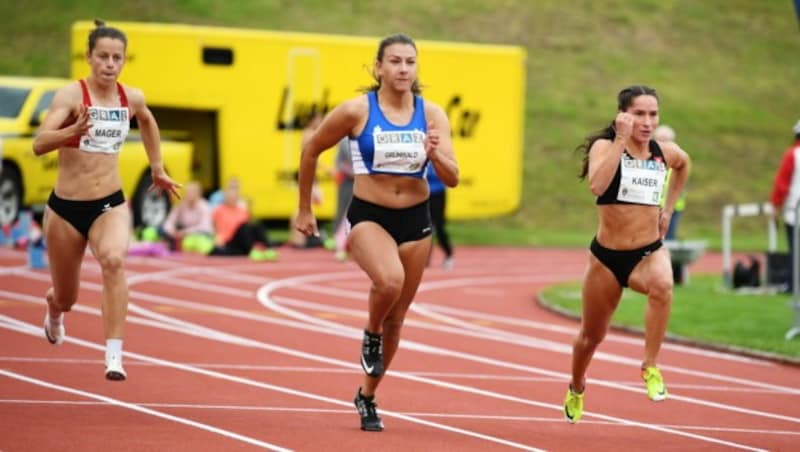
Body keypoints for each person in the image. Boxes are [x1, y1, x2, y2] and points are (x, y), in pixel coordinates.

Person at [295, 33, 459, 432]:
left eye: (410, 62)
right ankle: (370, 333)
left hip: (416, 221)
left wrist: (435, 151)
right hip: (370, 215)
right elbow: (311, 150)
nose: (404, 69)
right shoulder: (357, 111)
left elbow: (452, 178)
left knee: (398, 318)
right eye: (396, 61)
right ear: (378, 67)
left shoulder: (432, 114)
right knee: (389, 281)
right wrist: (304, 208)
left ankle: (367, 396)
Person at [32, 20, 181, 381]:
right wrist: (72, 130)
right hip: (66, 209)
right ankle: (54, 310)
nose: (110, 64)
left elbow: (147, 121)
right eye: (103, 57)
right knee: (67, 296)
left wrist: (157, 166)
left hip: (109, 203)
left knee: (114, 261)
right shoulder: (71, 96)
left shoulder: (132, 98)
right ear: (89, 57)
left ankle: (114, 355)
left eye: (117, 58)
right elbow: (39, 144)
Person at [563, 85, 690, 423]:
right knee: (591, 337)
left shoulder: (664, 152)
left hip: (648, 251)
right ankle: (576, 386)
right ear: (623, 115)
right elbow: (597, 186)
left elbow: (684, 164)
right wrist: (621, 140)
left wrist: (669, 209)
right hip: (606, 258)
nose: (646, 122)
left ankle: (650, 366)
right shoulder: (606, 147)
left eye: (653, 114)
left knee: (664, 285)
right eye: (639, 114)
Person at [769, 119, 800, 292]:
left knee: (795, 250)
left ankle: (793, 285)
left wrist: (775, 206)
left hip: (794, 210)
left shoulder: (793, 154)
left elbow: (782, 183)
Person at [210, 182, 275, 260]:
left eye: (234, 197)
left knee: (257, 225)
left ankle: (268, 248)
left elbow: (250, 226)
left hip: (243, 238)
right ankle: (252, 251)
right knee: (243, 227)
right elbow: (214, 226)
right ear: (226, 198)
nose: (233, 199)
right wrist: (217, 238)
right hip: (229, 239)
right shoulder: (219, 210)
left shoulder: (242, 210)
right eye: (230, 197)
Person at [160, 180, 214, 252]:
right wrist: (171, 231)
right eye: (187, 192)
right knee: (159, 231)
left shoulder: (204, 206)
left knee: (191, 242)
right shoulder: (181, 205)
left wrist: (184, 232)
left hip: (201, 235)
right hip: (182, 235)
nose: (189, 194)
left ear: (199, 193)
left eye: (192, 192)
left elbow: (204, 227)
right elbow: (170, 221)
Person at [654, 125, 687, 240]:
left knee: (668, 239)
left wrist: (669, 207)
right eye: (660, 140)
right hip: (653, 207)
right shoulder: (651, 158)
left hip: (672, 207)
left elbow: (679, 185)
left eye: (665, 141)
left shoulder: (678, 159)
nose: (663, 144)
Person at [426, 165, 454, 269]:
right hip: (424, 193)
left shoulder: (439, 155)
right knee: (424, 227)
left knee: (439, 226)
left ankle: (448, 254)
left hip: (438, 193)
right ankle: (425, 258)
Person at [332, 137, 355, 260]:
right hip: (347, 181)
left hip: (362, 181)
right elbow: (341, 162)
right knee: (342, 212)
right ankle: (339, 246)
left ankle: (352, 246)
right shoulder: (344, 141)